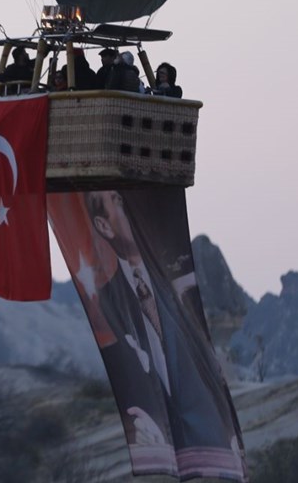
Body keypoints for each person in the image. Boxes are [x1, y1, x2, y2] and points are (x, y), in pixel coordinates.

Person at [84, 189, 240, 456]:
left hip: (214, 439)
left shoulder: (180, 279)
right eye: (121, 202)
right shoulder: (109, 301)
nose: (135, 210)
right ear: (103, 225)